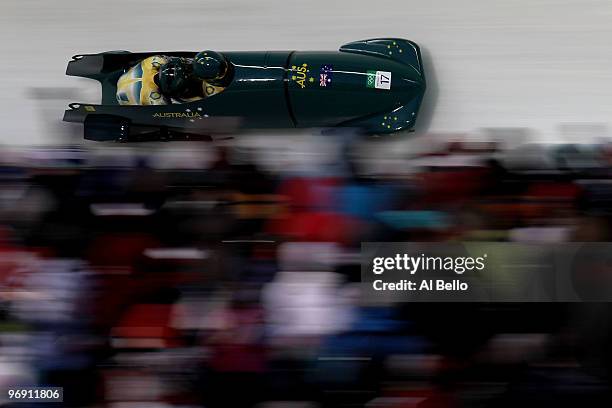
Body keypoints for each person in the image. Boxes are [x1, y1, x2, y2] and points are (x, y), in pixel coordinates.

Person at [116, 51, 231, 105]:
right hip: (127, 97)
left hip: (131, 74)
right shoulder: (154, 98)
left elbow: (180, 60)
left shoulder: (155, 61)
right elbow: (169, 109)